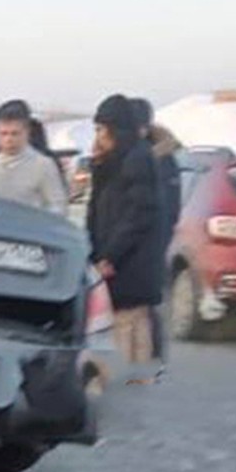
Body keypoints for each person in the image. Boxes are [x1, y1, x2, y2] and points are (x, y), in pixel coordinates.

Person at [87, 94, 163, 382]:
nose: (98, 137)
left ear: (115, 130)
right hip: (123, 258)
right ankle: (134, 380)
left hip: (129, 261)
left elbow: (138, 215)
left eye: (101, 130)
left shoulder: (137, 159)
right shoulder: (122, 158)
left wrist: (110, 256)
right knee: (129, 323)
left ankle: (128, 383)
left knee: (126, 323)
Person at [131, 98, 182, 370]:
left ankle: (151, 356)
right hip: (135, 237)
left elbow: (169, 207)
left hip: (150, 239)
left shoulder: (161, 159)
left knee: (146, 300)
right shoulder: (135, 153)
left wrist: (155, 239)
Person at [0, 99, 67, 214]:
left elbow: (58, 207)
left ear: (26, 132)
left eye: (15, 133)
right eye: (3, 133)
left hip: (30, 229)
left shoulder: (44, 165)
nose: (9, 139)